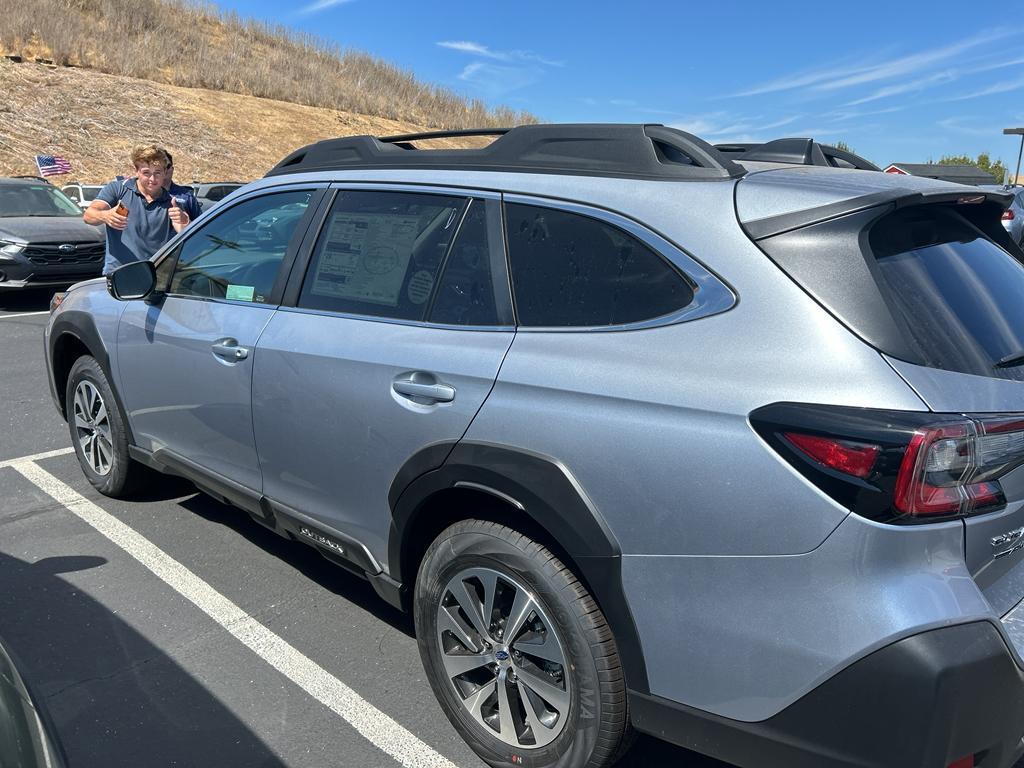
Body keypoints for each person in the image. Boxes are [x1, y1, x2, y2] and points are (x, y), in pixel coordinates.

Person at [84, 145, 202, 275]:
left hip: (157, 276)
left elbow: (197, 245)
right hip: (119, 275)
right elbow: (89, 216)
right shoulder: (118, 190)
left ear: (165, 173)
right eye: (146, 173)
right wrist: (105, 215)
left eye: (157, 173)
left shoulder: (174, 204)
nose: (152, 179)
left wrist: (186, 227)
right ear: (136, 171)